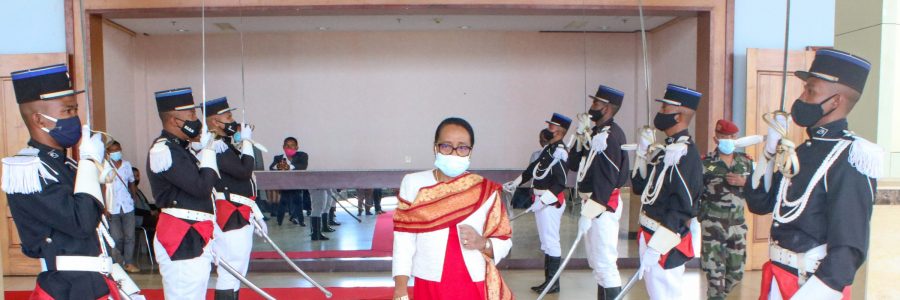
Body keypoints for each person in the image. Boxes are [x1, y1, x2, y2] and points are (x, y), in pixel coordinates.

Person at [745, 49, 880, 299]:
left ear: (836, 101)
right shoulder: (804, 151)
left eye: (810, 91)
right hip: (779, 276)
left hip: (810, 287)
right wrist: (769, 151)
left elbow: (848, 249)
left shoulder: (849, 158)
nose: (802, 98)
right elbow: (759, 202)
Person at [2, 64, 124, 299]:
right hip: (67, 286)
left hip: (92, 280)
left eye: (75, 110)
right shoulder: (28, 169)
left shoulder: (66, 165)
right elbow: (82, 222)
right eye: (67, 111)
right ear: (39, 119)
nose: (75, 119)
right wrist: (89, 161)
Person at [393, 117, 513, 300]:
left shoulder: (484, 190)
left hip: (473, 280)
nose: (454, 153)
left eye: (462, 147)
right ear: (435, 148)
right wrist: (400, 289)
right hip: (429, 281)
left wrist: (483, 243)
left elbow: (504, 240)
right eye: (446, 146)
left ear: (470, 152)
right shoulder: (413, 183)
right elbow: (403, 239)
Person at [630, 84, 704, 300]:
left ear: (679, 115)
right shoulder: (666, 151)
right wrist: (642, 154)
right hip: (650, 236)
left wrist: (657, 247)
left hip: (665, 242)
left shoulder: (686, 154)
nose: (660, 114)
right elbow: (640, 189)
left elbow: (683, 207)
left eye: (664, 109)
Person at [147, 87, 220, 299]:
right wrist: (207, 152)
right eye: (191, 115)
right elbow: (201, 187)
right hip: (181, 235)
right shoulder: (163, 150)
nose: (196, 120)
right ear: (174, 120)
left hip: (194, 233)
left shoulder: (180, 149)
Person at [567, 85, 629, 299]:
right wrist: (578, 136)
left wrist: (590, 212)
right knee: (596, 263)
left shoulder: (611, 136)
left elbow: (608, 181)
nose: (591, 107)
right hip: (592, 204)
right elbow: (574, 164)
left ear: (608, 108)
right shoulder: (595, 133)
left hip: (602, 205)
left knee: (605, 263)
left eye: (596, 103)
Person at [203, 97, 267, 299]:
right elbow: (244, 171)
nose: (232, 120)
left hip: (240, 211)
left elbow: (245, 186)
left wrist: (256, 214)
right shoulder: (216, 146)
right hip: (229, 214)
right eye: (228, 116)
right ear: (214, 121)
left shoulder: (226, 145)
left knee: (238, 270)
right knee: (230, 270)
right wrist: (247, 142)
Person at [503, 113, 571, 294]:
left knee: (552, 242)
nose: (548, 129)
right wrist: (516, 183)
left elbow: (561, 182)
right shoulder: (548, 150)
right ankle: (548, 282)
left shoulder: (560, 152)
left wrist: (544, 201)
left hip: (550, 202)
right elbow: (532, 170)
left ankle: (553, 284)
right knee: (546, 243)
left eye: (551, 127)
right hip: (541, 201)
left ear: (560, 131)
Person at [699, 119, 752, 300]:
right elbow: (696, 191)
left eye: (730, 137)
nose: (727, 140)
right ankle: (716, 296)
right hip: (712, 224)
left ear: (736, 138)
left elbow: (758, 190)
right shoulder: (705, 163)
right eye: (723, 137)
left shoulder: (746, 163)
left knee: (736, 273)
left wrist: (744, 182)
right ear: (716, 139)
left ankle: (720, 295)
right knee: (715, 273)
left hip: (737, 225)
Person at [106, 140, 141, 273]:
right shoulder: (105, 166)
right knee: (116, 238)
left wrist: (133, 197)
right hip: (112, 207)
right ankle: (117, 262)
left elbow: (132, 181)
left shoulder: (126, 165)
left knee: (130, 236)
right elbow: (104, 186)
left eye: (118, 149)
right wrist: (105, 206)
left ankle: (129, 263)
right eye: (113, 150)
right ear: (108, 152)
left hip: (127, 206)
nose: (117, 152)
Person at [270, 137, 309, 226]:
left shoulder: (302, 155)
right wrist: (279, 166)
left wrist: (287, 167)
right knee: (283, 202)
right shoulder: (278, 158)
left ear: (297, 147)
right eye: (287, 146)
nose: (289, 147)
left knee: (298, 201)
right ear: (283, 147)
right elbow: (271, 168)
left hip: (297, 183)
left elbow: (302, 166)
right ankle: (279, 221)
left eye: (292, 146)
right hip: (284, 184)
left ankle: (301, 221)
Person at [132, 166, 158, 257]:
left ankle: (154, 250)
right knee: (159, 222)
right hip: (137, 219)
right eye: (133, 176)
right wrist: (150, 213)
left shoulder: (138, 190)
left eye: (137, 176)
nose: (136, 178)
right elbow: (133, 210)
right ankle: (153, 251)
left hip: (145, 217)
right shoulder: (128, 191)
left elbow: (146, 204)